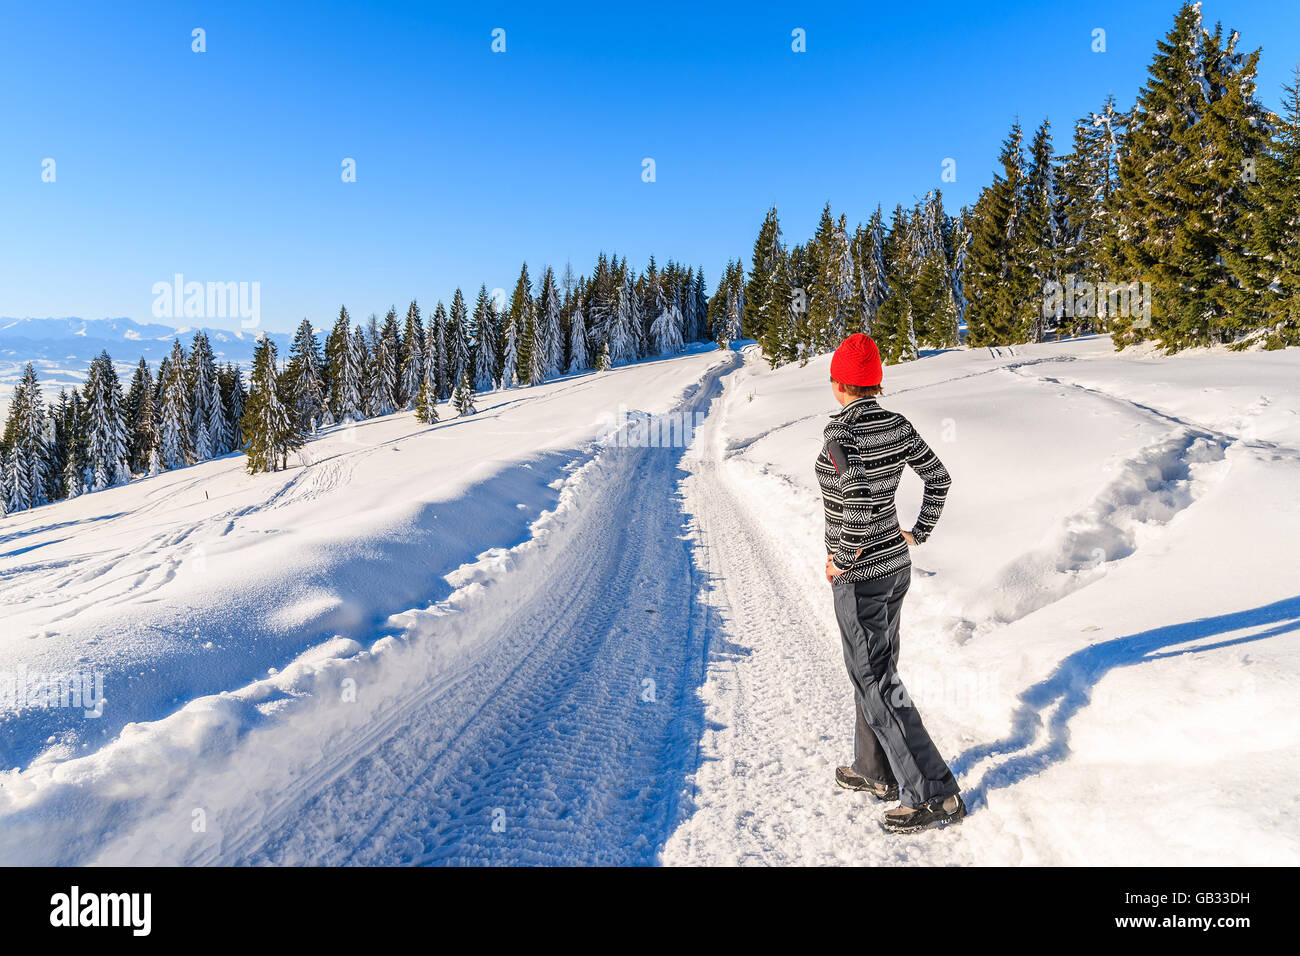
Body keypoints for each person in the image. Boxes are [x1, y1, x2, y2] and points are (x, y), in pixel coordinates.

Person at [816, 333, 966, 833]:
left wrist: (844, 555)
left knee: (877, 681)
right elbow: (938, 478)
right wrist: (916, 533)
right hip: (895, 568)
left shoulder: (841, 437)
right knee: (875, 673)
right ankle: (874, 769)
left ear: (839, 383)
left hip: (861, 579)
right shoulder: (895, 424)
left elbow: (855, 496)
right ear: (874, 382)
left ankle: (935, 795)